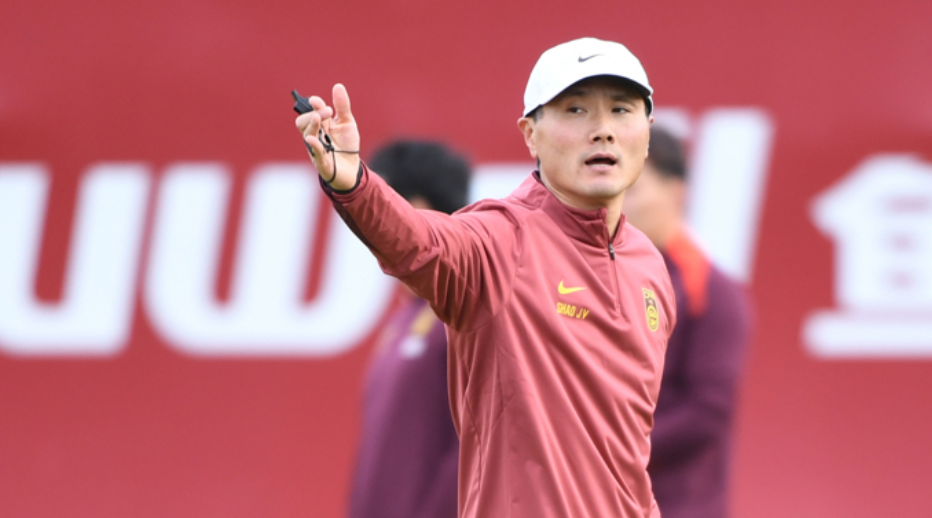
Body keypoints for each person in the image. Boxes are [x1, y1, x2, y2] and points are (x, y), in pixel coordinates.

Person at [296, 37, 676, 518]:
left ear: (647, 130)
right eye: (576, 110)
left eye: (621, 110)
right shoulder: (499, 239)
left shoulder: (650, 267)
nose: (602, 130)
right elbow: (420, 242)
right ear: (530, 134)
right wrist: (354, 184)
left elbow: (628, 456)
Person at [624, 127, 752, 518]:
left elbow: (706, 412)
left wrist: (614, 451)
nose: (617, 204)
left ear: (677, 192)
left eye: (632, 189)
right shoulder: (589, 281)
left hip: (677, 505)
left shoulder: (709, 292)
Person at [347, 140, 470, 518]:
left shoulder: (466, 311)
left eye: (374, 204)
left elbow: (481, 445)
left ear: (414, 208)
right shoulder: (404, 317)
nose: (364, 221)